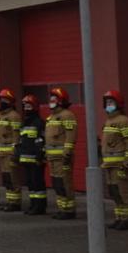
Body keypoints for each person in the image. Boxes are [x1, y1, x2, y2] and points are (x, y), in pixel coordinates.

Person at [100, 90, 128, 230]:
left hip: (120, 165)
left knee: (123, 192)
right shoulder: (108, 122)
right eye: (107, 103)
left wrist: (127, 161)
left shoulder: (124, 121)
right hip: (109, 165)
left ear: (118, 104)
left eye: (112, 102)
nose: (109, 105)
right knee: (114, 192)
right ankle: (119, 217)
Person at [44, 88, 79, 220]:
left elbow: (71, 136)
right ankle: (61, 208)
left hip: (62, 158)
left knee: (65, 183)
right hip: (52, 157)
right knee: (57, 183)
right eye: (51, 99)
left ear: (61, 101)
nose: (51, 102)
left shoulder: (67, 115)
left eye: (54, 99)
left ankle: (69, 210)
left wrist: (67, 153)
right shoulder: (50, 117)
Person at [16, 94, 48, 215]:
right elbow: (21, 140)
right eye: (25, 106)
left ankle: (40, 206)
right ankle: (33, 204)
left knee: (37, 182)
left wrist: (41, 154)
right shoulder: (24, 123)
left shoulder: (39, 123)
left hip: (36, 159)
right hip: (26, 158)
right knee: (30, 183)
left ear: (34, 107)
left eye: (29, 106)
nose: (26, 108)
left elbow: (42, 139)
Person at [0, 89, 22, 212]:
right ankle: (10, 201)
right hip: (2, 152)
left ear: (11, 102)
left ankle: (15, 202)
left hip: (10, 152)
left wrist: (15, 150)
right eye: (1, 99)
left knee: (13, 177)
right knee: (6, 177)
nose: (3, 102)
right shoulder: (0, 117)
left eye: (5, 100)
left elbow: (16, 135)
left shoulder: (14, 116)